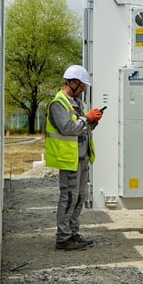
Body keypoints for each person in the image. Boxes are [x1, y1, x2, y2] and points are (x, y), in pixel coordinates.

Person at [45, 64, 103, 251]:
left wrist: (92, 122)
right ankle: (63, 238)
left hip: (81, 157)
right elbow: (67, 128)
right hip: (68, 159)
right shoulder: (58, 103)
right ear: (73, 82)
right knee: (69, 198)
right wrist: (87, 118)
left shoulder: (75, 102)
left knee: (79, 198)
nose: (84, 89)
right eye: (83, 85)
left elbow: (81, 127)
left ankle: (72, 233)